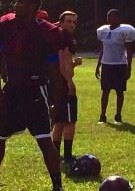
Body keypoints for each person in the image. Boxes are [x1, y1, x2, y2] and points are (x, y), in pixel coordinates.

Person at [0, 0, 73, 191]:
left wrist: (56, 101)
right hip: (11, 90)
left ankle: (58, 185)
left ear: (32, 7)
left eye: (21, 2)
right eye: (17, 0)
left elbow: (54, 70)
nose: (16, 4)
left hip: (35, 91)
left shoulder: (47, 32)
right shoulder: (7, 26)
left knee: (44, 141)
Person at [50, 11, 82, 165]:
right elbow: (62, 61)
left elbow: (63, 63)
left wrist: (74, 64)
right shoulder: (64, 37)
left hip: (56, 83)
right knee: (70, 122)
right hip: (62, 83)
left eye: (74, 22)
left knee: (59, 122)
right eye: (68, 21)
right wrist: (69, 81)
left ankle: (55, 155)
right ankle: (67, 156)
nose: (72, 25)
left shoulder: (57, 35)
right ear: (61, 22)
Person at [95, 9, 135, 124]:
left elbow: (129, 50)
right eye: (108, 16)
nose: (109, 18)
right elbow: (103, 49)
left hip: (119, 65)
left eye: (112, 16)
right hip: (106, 64)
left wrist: (129, 67)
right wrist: (98, 65)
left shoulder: (125, 31)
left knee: (119, 91)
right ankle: (102, 115)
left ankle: (118, 115)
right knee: (105, 91)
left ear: (118, 18)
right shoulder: (103, 31)